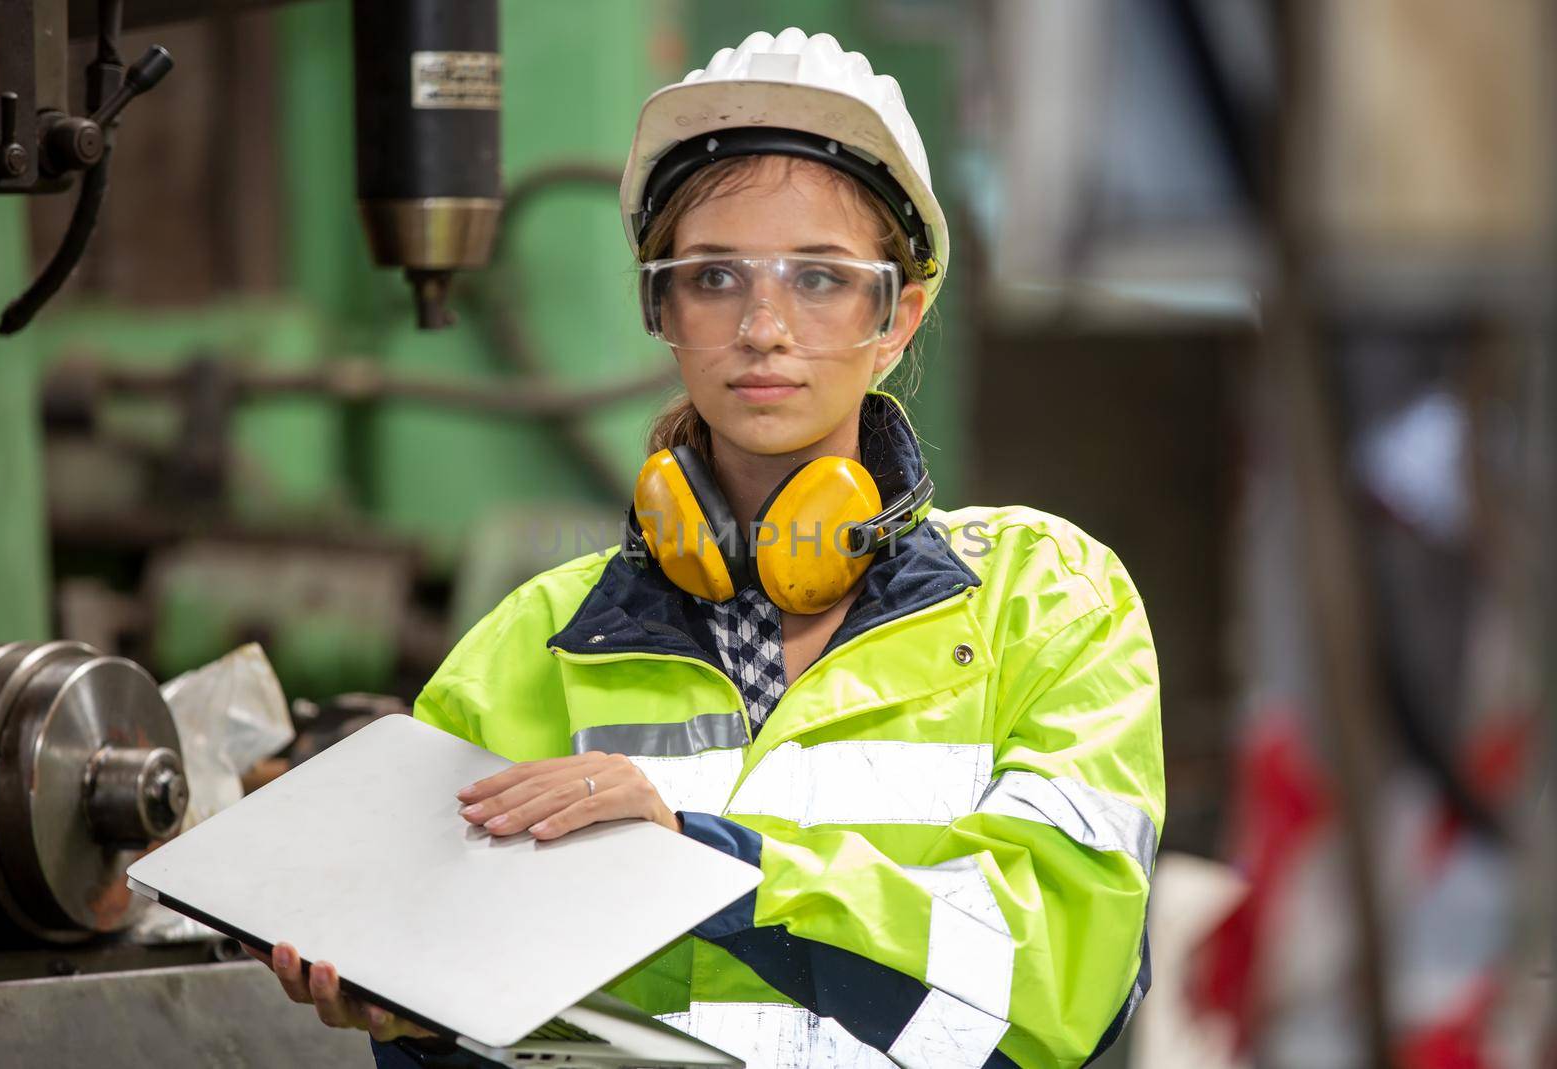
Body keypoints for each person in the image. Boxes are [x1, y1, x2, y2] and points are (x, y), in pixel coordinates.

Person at [251, 27, 1164, 1069]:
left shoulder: (1047, 600)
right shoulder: (529, 646)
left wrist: (700, 862)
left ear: (898, 316)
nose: (764, 326)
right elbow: (492, 1018)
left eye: (819, 279)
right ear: (659, 307)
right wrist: (413, 1014)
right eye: (714, 277)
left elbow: (1055, 982)